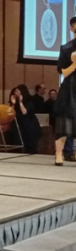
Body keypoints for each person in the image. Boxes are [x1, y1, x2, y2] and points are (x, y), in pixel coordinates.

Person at [54, 16, 76, 166]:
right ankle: (59, 154)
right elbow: (63, 72)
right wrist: (75, 63)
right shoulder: (66, 48)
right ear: (72, 28)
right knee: (64, 123)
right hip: (70, 89)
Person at [9, 85, 41, 154]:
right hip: (18, 123)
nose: (15, 93)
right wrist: (13, 103)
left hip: (28, 123)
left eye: (17, 91)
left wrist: (20, 102)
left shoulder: (29, 100)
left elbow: (24, 112)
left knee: (29, 142)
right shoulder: (15, 100)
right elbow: (10, 112)